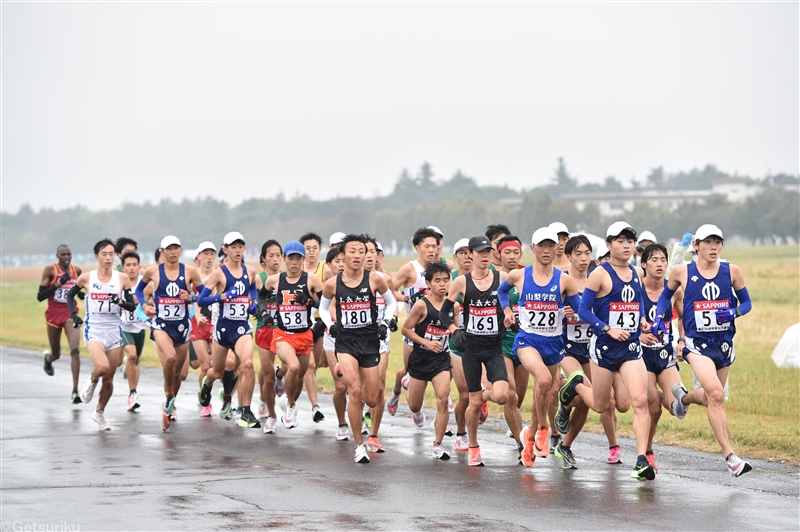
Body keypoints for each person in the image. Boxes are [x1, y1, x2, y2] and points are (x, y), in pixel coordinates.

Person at [652, 224, 753, 476]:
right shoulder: (681, 271)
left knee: (710, 399)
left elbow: (748, 303)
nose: (714, 247)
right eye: (708, 242)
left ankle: (682, 399)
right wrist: (658, 319)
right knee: (717, 395)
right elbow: (666, 296)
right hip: (696, 345)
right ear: (696, 245)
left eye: (718, 242)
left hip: (724, 344)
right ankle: (731, 457)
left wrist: (733, 312)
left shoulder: (732, 271)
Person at [562, 221, 657, 481]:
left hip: (630, 348)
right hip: (604, 349)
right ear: (608, 244)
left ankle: (640, 460)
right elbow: (583, 310)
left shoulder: (637, 273)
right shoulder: (600, 274)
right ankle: (578, 387)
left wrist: (642, 322)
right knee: (601, 404)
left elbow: (635, 306)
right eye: (620, 241)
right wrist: (607, 329)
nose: (626, 245)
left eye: (630, 241)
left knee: (638, 402)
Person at [499, 227, 582, 467]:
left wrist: (572, 313)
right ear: (532, 248)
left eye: (550, 246)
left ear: (557, 248)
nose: (546, 250)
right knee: (545, 381)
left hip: (553, 342)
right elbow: (502, 292)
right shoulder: (519, 275)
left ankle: (531, 433)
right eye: (541, 246)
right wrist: (506, 310)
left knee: (548, 389)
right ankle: (544, 428)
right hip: (527, 340)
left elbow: (577, 310)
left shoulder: (565, 279)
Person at [319, 234, 397, 464]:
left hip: (370, 340)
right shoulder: (333, 283)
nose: (357, 256)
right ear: (343, 256)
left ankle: (365, 415)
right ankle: (358, 445)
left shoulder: (375, 279)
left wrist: (385, 322)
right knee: (354, 391)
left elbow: (391, 302)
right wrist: (330, 325)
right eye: (352, 251)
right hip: (346, 342)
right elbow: (323, 309)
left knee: (372, 398)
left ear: (366, 255)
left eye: (361, 252)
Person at [439, 235, 509, 466]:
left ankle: (481, 397)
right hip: (470, 348)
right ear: (471, 254)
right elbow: (444, 312)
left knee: (500, 395)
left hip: (494, 347)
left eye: (489, 251)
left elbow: (513, 302)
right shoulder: (460, 282)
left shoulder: (502, 278)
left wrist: (510, 316)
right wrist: (454, 330)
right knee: (474, 402)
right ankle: (473, 445)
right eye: (480, 252)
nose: (485, 256)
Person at [136, 236, 205, 431]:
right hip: (161, 326)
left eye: (176, 248)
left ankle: (170, 402)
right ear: (163, 252)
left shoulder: (190, 272)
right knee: (171, 358)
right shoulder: (153, 272)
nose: (173, 252)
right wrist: (144, 305)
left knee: (179, 373)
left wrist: (191, 297)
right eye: (169, 249)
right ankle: (167, 395)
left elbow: (204, 295)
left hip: (182, 328)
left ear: (181, 251)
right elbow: (140, 291)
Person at [66, 239, 137, 431]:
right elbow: (70, 295)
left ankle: (99, 413)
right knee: (102, 367)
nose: (108, 257)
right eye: (104, 254)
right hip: (95, 330)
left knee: (109, 379)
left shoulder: (122, 278)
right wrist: (74, 316)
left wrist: (121, 302)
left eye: (111, 254)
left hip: (114, 330)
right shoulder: (87, 278)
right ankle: (91, 381)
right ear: (97, 256)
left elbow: (131, 305)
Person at [197, 231, 261, 429]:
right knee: (216, 372)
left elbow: (252, 290)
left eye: (240, 247)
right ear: (225, 250)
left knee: (248, 365)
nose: (237, 251)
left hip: (242, 327)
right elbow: (201, 300)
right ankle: (206, 386)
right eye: (233, 247)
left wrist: (253, 303)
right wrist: (221, 297)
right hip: (223, 329)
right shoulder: (219, 273)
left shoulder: (249, 271)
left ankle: (245, 411)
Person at [261, 241, 324, 429]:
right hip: (283, 335)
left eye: (298, 259)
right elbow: (262, 296)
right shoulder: (275, 280)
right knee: (294, 367)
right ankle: (289, 408)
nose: (294, 263)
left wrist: (308, 301)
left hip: (305, 335)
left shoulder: (312, 280)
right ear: (284, 259)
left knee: (299, 378)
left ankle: (286, 392)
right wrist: (264, 313)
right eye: (291, 258)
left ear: (303, 260)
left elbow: (326, 305)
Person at [639, 242, 687, 472]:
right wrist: (639, 336)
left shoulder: (673, 289)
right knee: (653, 409)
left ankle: (667, 394)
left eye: (663, 260)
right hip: (641, 357)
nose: (659, 264)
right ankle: (647, 453)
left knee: (675, 408)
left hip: (665, 354)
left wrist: (681, 341)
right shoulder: (635, 289)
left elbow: (683, 317)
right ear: (644, 264)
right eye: (654, 260)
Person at [402, 261, 457, 460]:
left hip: (441, 359)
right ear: (428, 283)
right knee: (415, 405)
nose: (442, 284)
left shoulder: (454, 306)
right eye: (437, 281)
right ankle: (415, 406)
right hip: (420, 358)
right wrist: (426, 341)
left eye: (446, 280)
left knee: (443, 398)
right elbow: (406, 329)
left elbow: (455, 330)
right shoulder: (421, 305)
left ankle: (438, 444)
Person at [387, 227, 441, 416]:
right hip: (413, 332)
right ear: (417, 247)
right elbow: (389, 291)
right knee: (410, 372)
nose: (431, 250)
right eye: (427, 246)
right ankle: (396, 392)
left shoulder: (441, 268)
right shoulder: (410, 269)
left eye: (434, 246)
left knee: (438, 374)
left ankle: (437, 406)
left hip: (437, 332)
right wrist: (406, 299)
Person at [37, 244, 83, 403]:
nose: (66, 257)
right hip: (53, 314)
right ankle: (48, 360)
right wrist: (58, 284)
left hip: (70, 313)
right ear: (57, 256)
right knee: (56, 353)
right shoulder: (50, 271)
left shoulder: (77, 271)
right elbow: (40, 296)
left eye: (68, 254)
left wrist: (80, 293)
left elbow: (76, 289)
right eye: (63, 254)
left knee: (75, 349)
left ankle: (75, 391)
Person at [255, 240, 282, 433]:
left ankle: (279, 377)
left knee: (283, 370)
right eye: (271, 255)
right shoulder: (259, 278)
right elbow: (254, 301)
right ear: (263, 258)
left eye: (278, 255)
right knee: (267, 375)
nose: (275, 259)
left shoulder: (288, 278)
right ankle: (271, 415)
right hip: (264, 329)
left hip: (284, 331)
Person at [300, 232, 326, 423]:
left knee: (313, 366)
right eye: (307, 249)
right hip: (299, 324)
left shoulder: (325, 269)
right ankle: (315, 407)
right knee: (308, 366)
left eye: (314, 248)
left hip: (319, 322)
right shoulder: (296, 268)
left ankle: (282, 376)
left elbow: (329, 298)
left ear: (320, 249)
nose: (310, 252)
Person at [190, 241, 217, 417]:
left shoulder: (219, 274)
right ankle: (205, 400)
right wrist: (197, 315)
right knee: (205, 366)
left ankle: (221, 394)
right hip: (197, 323)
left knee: (219, 367)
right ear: (198, 256)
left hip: (215, 322)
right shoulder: (193, 275)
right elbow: (191, 299)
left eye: (211, 254)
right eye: (205, 253)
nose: (208, 257)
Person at [120, 251, 146, 411]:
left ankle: (133, 388)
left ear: (139, 266)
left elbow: (152, 299)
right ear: (122, 267)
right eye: (128, 265)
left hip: (140, 327)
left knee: (136, 361)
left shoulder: (144, 283)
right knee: (132, 355)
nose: (131, 268)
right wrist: (125, 301)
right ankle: (132, 394)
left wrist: (142, 300)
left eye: (134, 265)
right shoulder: (119, 283)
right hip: (124, 327)